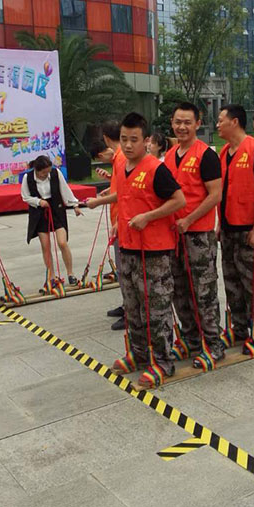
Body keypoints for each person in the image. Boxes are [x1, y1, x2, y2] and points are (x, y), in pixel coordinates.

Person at [86, 112, 186, 386]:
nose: (128, 145)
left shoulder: (156, 169)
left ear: (146, 141)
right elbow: (127, 195)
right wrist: (108, 210)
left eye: (134, 140)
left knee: (157, 309)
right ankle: (139, 353)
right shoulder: (122, 166)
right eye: (124, 139)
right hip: (128, 247)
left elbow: (179, 200)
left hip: (154, 251)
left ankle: (163, 362)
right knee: (133, 307)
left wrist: (148, 217)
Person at [165, 102, 225, 363]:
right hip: (174, 235)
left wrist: (189, 219)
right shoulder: (169, 156)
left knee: (204, 291)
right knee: (179, 290)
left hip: (199, 235)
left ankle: (213, 344)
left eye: (187, 122)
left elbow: (215, 195)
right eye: (178, 122)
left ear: (198, 124)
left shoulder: (206, 155)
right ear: (172, 123)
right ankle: (190, 339)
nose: (182, 127)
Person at [217, 104, 254, 350]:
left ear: (234, 122)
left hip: (250, 229)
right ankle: (239, 329)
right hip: (228, 229)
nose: (217, 125)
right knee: (232, 283)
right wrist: (220, 224)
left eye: (221, 120)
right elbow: (223, 192)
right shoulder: (224, 152)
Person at [21, 155, 83, 287]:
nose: (46, 174)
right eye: (43, 173)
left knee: (62, 243)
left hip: (56, 209)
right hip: (39, 212)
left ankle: (70, 273)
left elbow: (65, 190)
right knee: (46, 246)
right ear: (37, 170)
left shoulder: (56, 173)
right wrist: (38, 201)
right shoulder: (28, 177)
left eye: (48, 171)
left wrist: (75, 205)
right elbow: (25, 197)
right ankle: (52, 276)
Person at [90, 121, 126, 330]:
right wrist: (109, 188)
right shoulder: (119, 159)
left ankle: (131, 311)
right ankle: (127, 305)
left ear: (105, 138)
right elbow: (120, 187)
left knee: (125, 269)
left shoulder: (121, 158)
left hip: (122, 221)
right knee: (121, 268)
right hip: (118, 219)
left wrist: (98, 201)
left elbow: (126, 193)